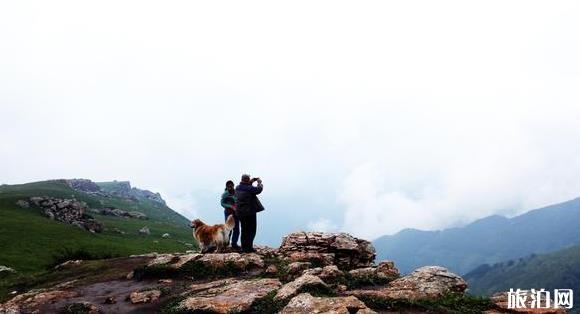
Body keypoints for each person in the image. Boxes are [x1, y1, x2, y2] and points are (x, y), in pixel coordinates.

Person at [235, 174, 264, 253]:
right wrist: (259, 183)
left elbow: (246, 186)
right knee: (251, 230)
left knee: (244, 230)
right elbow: (258, 190)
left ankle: (244, 248)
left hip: (240, 213)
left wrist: (251, 181)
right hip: (249, 213)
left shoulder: (237, 187)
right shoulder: (249, 189)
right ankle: (249, 248)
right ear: (247, 180)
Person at [221, 180, 240, 250]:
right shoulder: (225, 194)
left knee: (236, 229)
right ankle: (226, 243)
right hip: (228, 213)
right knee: (228, 228)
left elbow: (238, 200)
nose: (230, 187)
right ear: (226, 186)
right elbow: (222, 203)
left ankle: (234, 244)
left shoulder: (236, 192)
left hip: (236, 213)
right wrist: (230, 206)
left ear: (233, 185)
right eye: (228, 186)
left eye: (231, 186)